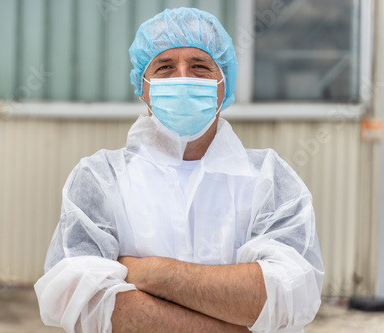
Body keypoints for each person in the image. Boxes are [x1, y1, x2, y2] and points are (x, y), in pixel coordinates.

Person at [35, 7, 324, 333]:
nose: (183, 78)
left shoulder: (268, 179)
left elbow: (290, 295)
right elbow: (76, 297)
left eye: (200, 66)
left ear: (223, 84)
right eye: (165, 67)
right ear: (142, 86)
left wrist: (151, 272)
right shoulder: (101, 178)